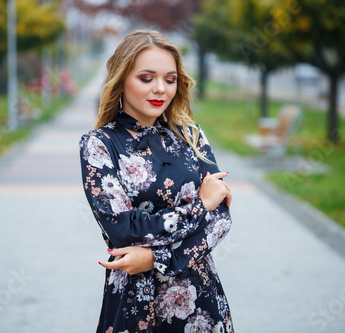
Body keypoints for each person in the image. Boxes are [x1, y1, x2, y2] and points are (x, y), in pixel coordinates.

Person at [80, 30, 234, 333]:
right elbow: (123, 230)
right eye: (146, 78)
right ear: (122, 79)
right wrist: (200, 205)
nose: (160, 89)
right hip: (135, 304)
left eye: (170, 79)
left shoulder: (191, 136)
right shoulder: (99, 145)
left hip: (200, 300)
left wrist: (154, 258)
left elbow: (219, 221)